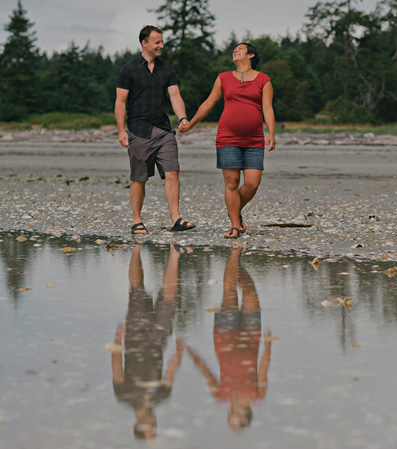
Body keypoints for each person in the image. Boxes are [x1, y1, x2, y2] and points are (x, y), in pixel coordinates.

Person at [180, 42, 275, 239]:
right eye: (234, 49)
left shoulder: (264, 80)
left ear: (250, 55)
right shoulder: (223, 78)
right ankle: (235, 225)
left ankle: (235, 210)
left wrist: (271, 133)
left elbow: (267, 108)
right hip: (227, 137)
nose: (235, 51)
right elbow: (208, 104)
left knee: (252, 183)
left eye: (240, 49)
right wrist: (191, 124)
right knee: (231, 183)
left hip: (254, 139)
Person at [115, 25, 196, 235]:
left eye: (162, 41)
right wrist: (121, 130)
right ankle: (137, 221)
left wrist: (183, 118)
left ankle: (176, 218)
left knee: (173, 171)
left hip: (164, 130)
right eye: (157, 42)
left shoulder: (167, 69)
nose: (161, 45)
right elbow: (120, 102)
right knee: (139, 178)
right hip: (138, 131)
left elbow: (175, 96)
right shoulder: (128, 69)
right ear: (144, 43)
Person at [185, 246, 272, 431]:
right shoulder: (257, 396)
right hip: (252, 335)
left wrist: (189, 352)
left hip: (225, 338)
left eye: (232, 417)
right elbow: (263, 370)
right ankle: (235, 261)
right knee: (250, 291)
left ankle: (233, 256)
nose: (234, 412)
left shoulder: (220, 396)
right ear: (245, 415)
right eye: (237, 417)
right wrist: (268, 346)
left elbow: (206, 373)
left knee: (229, 291)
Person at [111, 243, 187, 439]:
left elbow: (117, 368)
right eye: (155, 426)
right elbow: (170, 373)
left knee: (136, 290)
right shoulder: (161, 396)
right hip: (159, 340)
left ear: (138, 424)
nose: (153, 422)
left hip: (135, 338)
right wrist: (179, 352)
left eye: (150, 426)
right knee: (170, 298)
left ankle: (136, 250)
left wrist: (118, 336)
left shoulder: (124, 396)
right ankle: (174, 255)